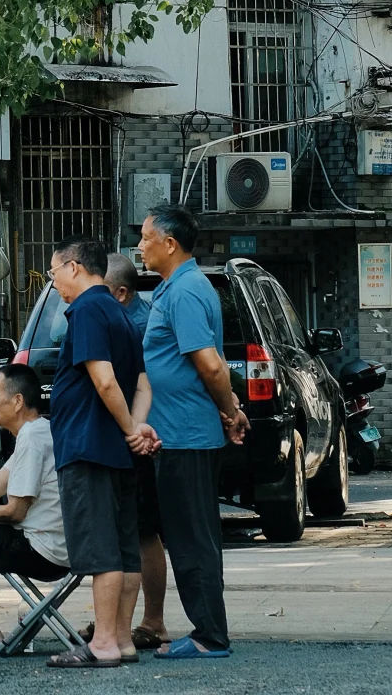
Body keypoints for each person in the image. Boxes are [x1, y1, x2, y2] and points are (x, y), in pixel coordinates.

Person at [139, 205, 249, 661]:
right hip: (179, 432)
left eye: (146, 237)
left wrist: (230, 409)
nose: (140, 245)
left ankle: (209, 635)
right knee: (188, 535)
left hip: (185, 436)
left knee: (191, 539)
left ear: (170, 243)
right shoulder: (175, 288)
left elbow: (208, 363)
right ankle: (207, 630)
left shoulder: (184, 292)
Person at [44, 237, 158, 668]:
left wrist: (131, 429)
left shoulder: (88, 309)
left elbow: (104, 380)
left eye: (54, 273)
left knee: (101, 550)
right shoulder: (121, 312)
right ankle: (123, 639)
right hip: (118, 451)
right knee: (125, 547)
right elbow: (142, 384)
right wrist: (137, 428)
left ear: (74, 267)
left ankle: (105, 642)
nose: (54, 284)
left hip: (89, 446)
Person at [0, 364, 68, 654]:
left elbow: (14, 513)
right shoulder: (39, 430)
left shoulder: (31, 439)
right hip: (58, 549)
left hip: (41, 553)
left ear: (17, 401)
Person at [105, 251, 167, 652]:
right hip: (128, 436)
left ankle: (153, 621)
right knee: (131, 530)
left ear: (122, 293)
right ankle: (121, 621)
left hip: (141, 437)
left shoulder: (137, 328)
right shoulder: (121, 319)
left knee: (143, 531)